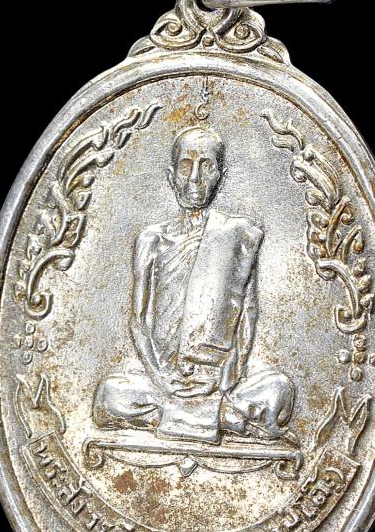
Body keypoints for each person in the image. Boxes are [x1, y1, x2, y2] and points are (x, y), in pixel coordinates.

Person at [93, 126, 294, 444]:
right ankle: (223, 419)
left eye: (206, 166)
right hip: (162, 378)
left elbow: (247, 315)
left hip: (215, 379)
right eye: (186, 166)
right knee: (110, 394)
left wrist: (225, 378)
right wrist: (161, 378)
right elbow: (139, 322)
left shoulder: (239, 235)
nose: (195, 178)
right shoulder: (152, 239)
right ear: (171, 175)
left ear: (220, 176)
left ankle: (181, 415)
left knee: (279, 389)